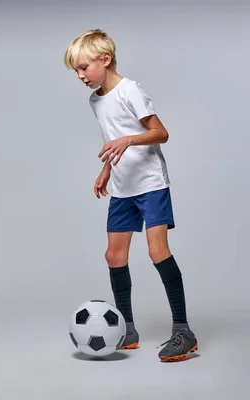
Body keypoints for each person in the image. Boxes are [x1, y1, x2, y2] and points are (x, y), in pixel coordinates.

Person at [63, 29, 198, 362]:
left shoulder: (129, 90)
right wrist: (106, 170)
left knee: (157, 251)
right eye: (76, 71)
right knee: (114, 257)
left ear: (105, 59)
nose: (80, 76)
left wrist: (127, 140)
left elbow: (160, 133)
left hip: (150, 184)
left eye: (84, 67)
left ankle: (183, 331)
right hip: (123, 187)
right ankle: (128, 330)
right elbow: (113, 138)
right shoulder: (95, 100)